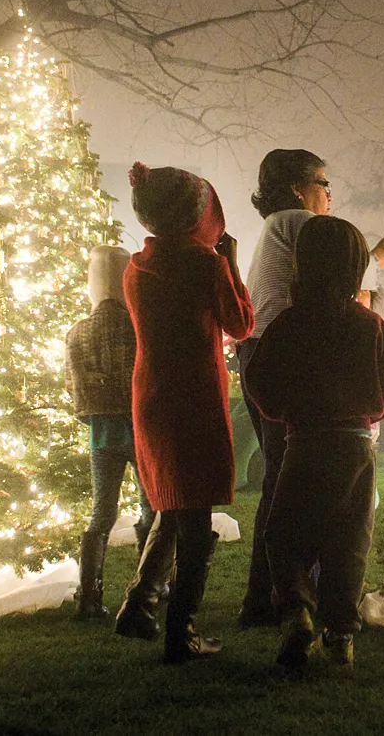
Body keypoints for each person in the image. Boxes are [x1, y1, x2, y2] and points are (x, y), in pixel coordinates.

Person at [235, 148, 384, 627]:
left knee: (287, 481)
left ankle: (290, 597)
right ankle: (281, 601)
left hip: (274, 354)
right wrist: (382, 253)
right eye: (322, 182)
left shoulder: (280, 226)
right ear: (298, 187)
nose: (329, 193)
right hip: (289, 355)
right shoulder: (295, 221)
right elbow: (340, 264)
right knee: (288, 485)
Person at [113, 163, 254, 663]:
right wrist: (230, 264)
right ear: (198, 213)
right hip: (194, 398)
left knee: (174, 504)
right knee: (195, 519)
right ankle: (182, 631)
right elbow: (240, 322)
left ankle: (139, 605)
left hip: (151, 396)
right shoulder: (203, 264)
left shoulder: (136, 267)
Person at [64, 245, 154, 620]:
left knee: (102, 512)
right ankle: (151, 585)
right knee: (151, 506)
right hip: (139, 428)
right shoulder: (138, 325)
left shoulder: (78, 331)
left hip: (101, 434)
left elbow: (72, 386)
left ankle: (90, 597)